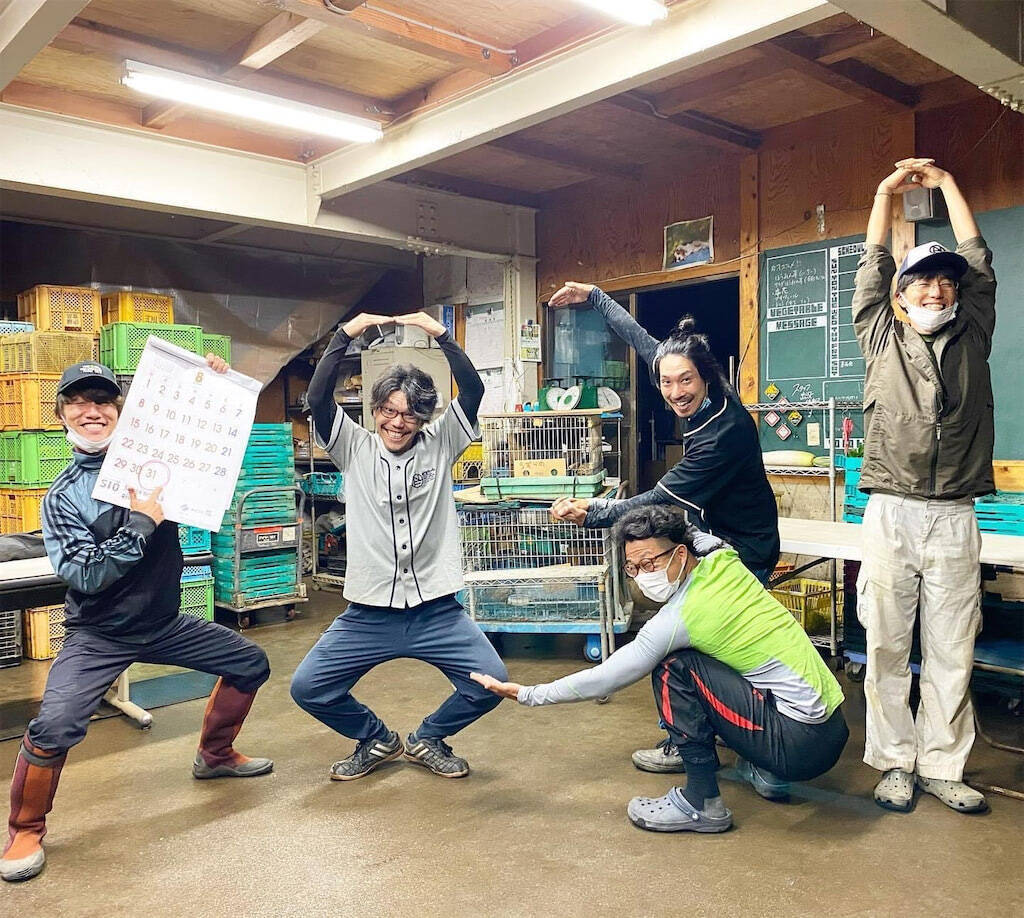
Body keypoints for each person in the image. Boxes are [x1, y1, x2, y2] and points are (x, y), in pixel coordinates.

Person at [1, 358, 272, 884]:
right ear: (62, 415)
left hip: (163, 622)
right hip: (98, 635)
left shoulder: (161, 466)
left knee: (250, 662)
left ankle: (214, 755)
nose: (92, 410)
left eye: (103, 401)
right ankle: (26, 828)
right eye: (79, 401)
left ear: (121, 413)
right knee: (56, 724)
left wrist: (210, 385)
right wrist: (144, 523)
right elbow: (85, 574)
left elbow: (206, 438)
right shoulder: (63, 498)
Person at [472, 505, 847, 833]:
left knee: (675, 668)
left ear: (680, 554)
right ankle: (768, 773)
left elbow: (607, 675)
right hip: (829, 727)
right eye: (633, 567)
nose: (643, 574)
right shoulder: (723, 558)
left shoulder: (681, 618)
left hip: (799, 745)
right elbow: (694, 532)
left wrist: (528, 694)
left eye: (651, 562)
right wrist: (599, 514)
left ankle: (702, 802)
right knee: (720, 659)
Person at [547, 285, 779, 773]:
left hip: (745, 551)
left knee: (713, 649)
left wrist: (592, 512)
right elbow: (639, 335)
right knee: (694, 646)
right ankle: (713, 741)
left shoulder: (723, 433)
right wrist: (594, 296)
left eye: (686, 382)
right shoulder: (680, 371)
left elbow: (659, 499)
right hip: (714, 542)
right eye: (668, 382)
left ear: (706, 377)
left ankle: (753, 750)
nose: (675, 392)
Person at [290, 311, 507, 781]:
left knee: (492, 684)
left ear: (424, 417)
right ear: (375, 411)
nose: (397, 422)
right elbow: (316, 397)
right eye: (387, 410)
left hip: (436, 609)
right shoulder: (353, 446)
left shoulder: (441, 441)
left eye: (409, 413)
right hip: (369, 612)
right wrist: (346, 334)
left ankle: (429, 738)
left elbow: (472, 392)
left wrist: (441, 334)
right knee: (309, 687)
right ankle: (376, 738)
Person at [853, 159, 996, 815]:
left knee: (951, 645)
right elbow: (874, 258)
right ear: (900, 295)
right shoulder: (878, 332)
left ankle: (942, 764)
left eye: (945, 282)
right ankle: (893, 763)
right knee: (884, 643)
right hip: (890, 510)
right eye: (922, 282)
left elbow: (978, 254)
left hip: (956, 513)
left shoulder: (975, 331)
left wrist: (948, 186)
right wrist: (886, 191)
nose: (936, 290)